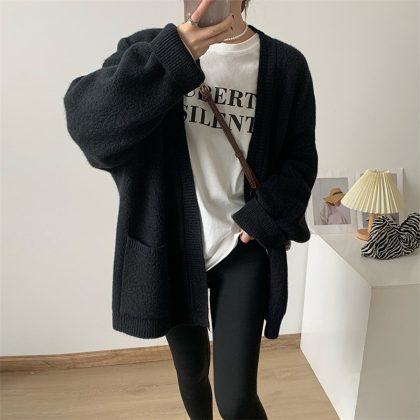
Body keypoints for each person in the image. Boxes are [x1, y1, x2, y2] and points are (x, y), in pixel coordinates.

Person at [63, 0, 318, 418]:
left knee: (236, 399)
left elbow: (300, 162)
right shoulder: (150, 50)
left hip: (241, 244)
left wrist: (264, 215)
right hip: (170, 245)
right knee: (192, 372)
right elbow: (88, 124)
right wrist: (171, 58)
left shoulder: (286, 66)